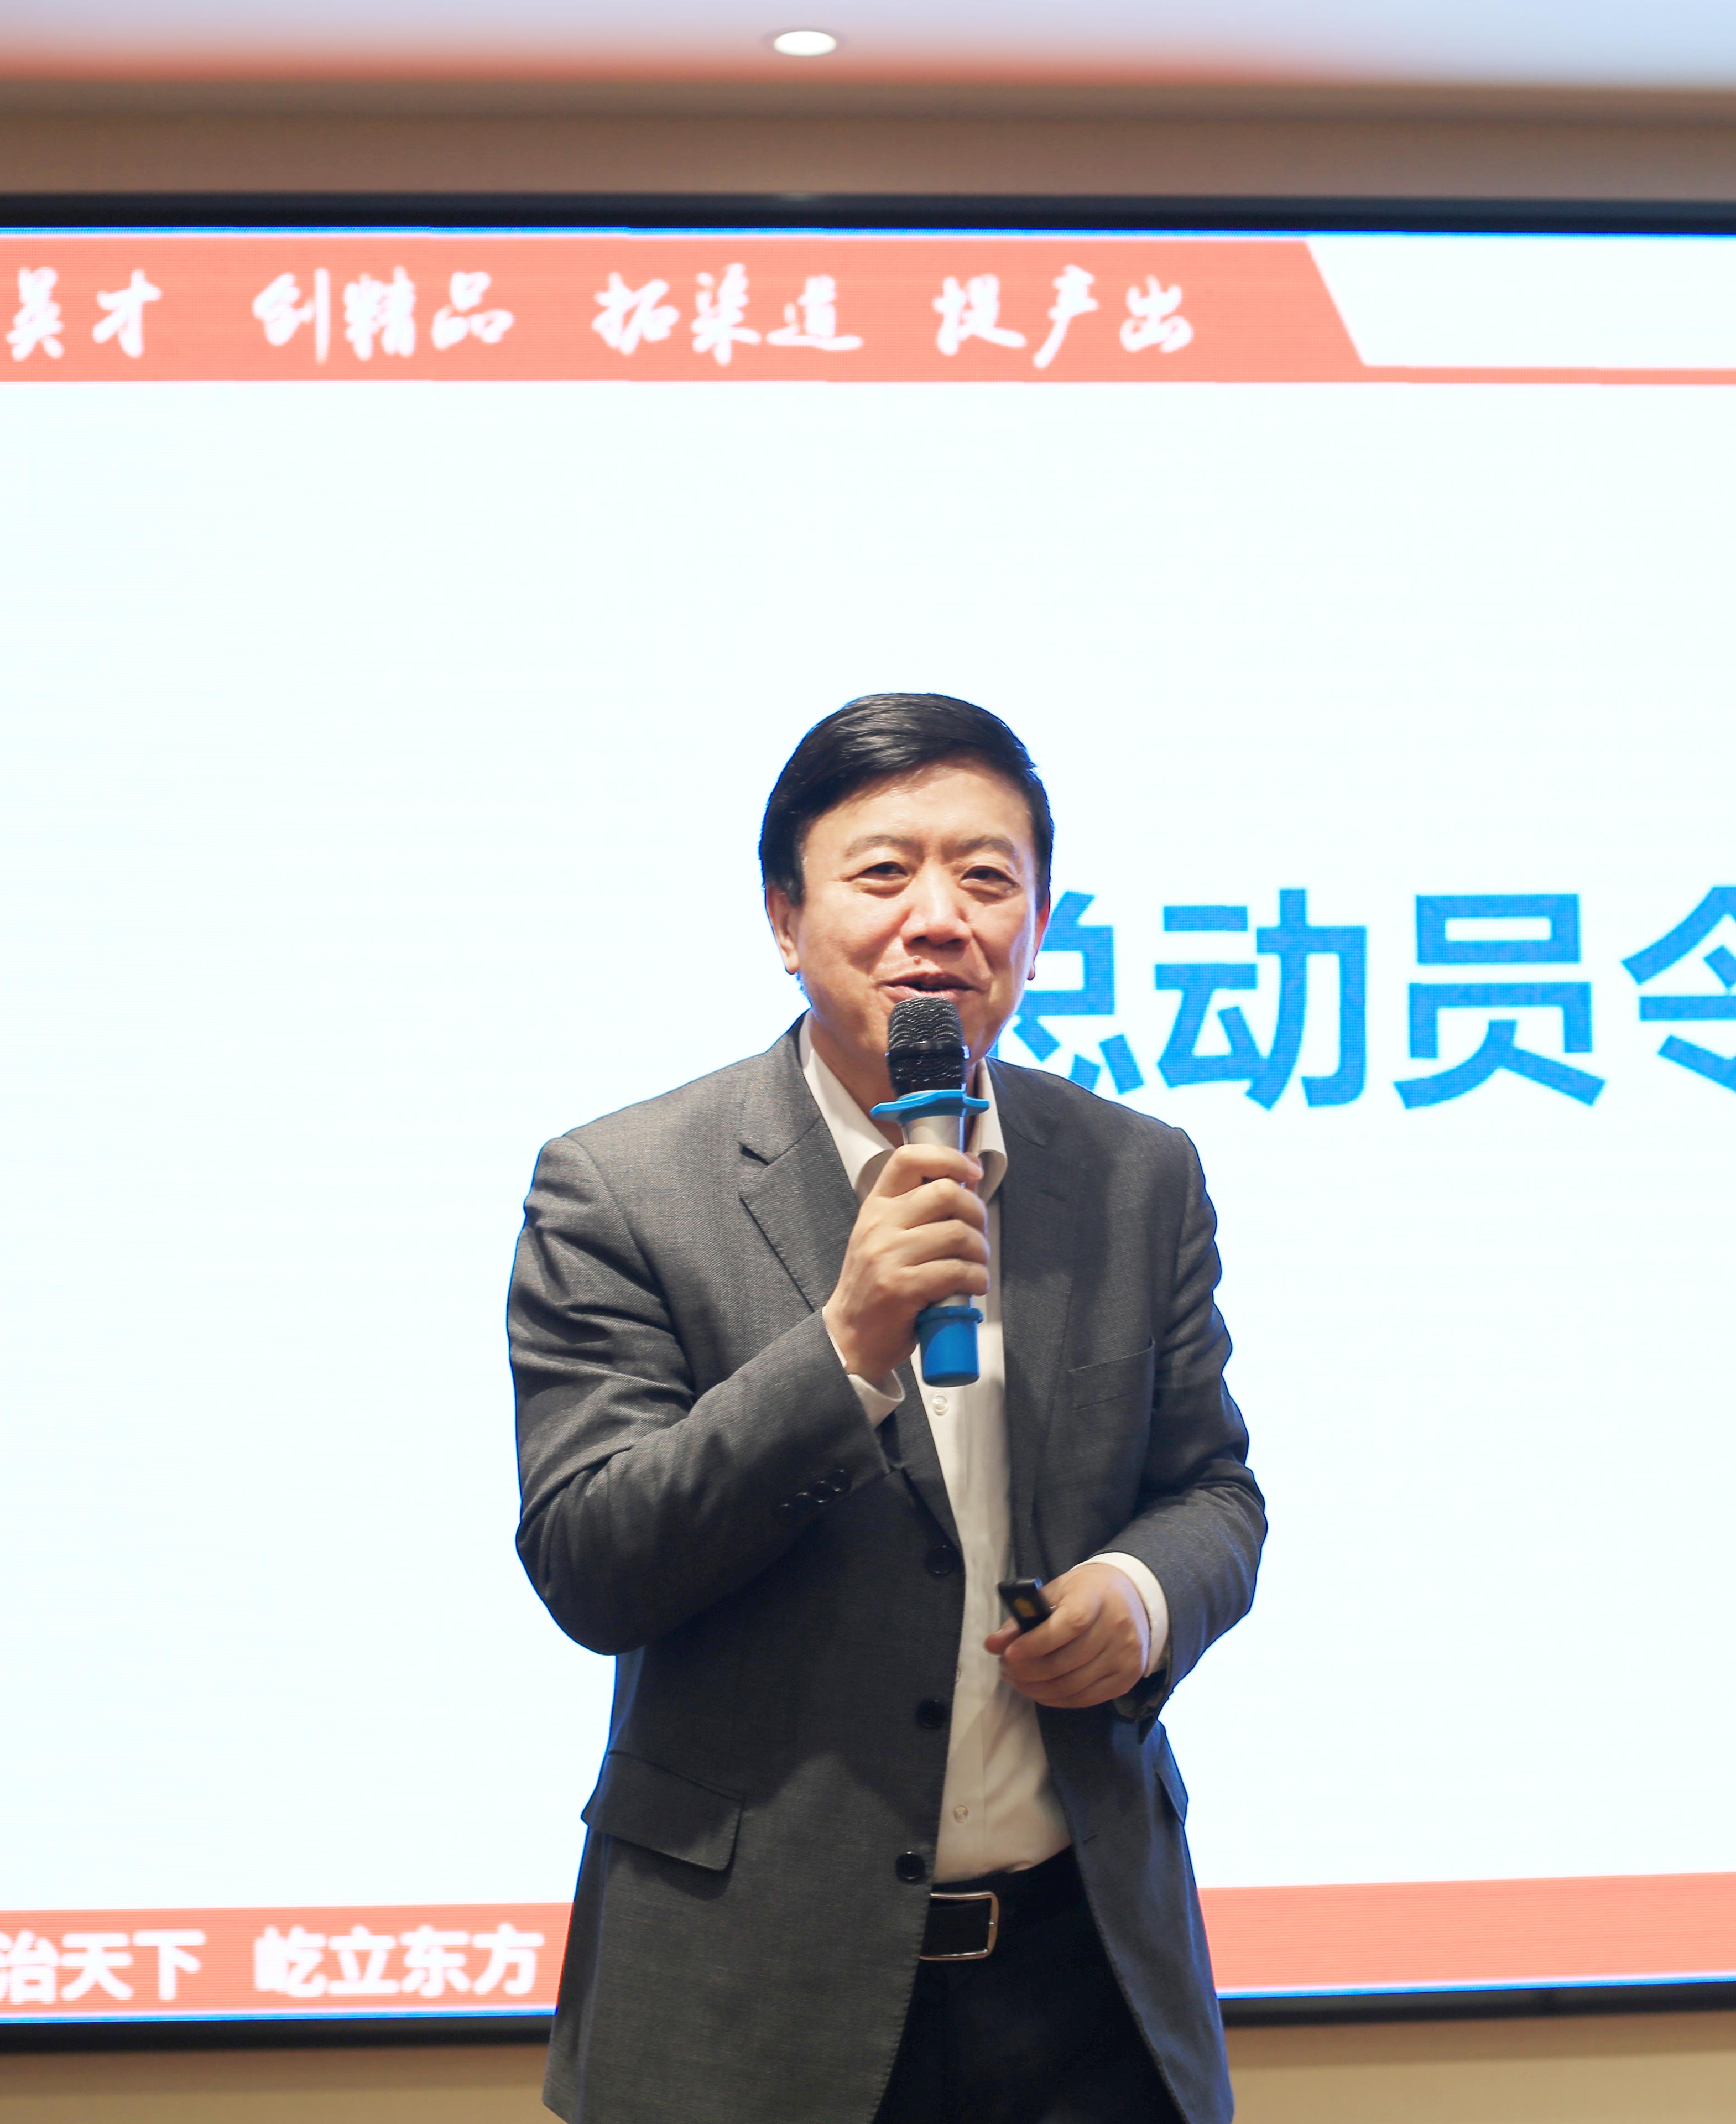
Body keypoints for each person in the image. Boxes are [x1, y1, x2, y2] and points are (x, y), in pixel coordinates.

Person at [509, 692, 1266, 2124]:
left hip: (1085, 1985)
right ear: (785, 919)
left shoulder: (1136, 1173)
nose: (940, 920)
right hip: (747, 1993)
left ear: (1039, 923)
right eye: (883, 874)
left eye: (988, 878)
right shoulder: (622, 1188)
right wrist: (846, 1348)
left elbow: (1213, 1492)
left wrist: (1145, 1597)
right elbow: (593, 1560)